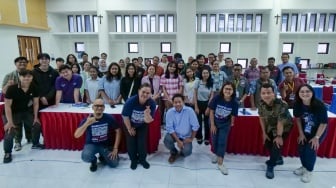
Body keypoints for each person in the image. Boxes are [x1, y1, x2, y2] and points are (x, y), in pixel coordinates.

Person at [3, 70, 44, 163]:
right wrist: (9, 121)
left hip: (25, 112)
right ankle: (7, 152)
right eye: (24, 76)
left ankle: (35, 143)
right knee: (10, 131)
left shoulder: (34, 87)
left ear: (32, 78)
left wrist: (35, 117)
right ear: (19, 77)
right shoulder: (12, 88)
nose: (26, 78)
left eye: (29, 76)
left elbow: (36, 103)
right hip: (12, 113)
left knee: (36, 125)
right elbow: (7, 106)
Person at [74, 99, 121, 172]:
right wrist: (87, 123)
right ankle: (94, 160)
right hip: (92, 144)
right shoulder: (87, 120)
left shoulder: (109, 118)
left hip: (105, 145)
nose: (99, 108)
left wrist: (115, 148)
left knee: (114, 164)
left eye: (101, 106)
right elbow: (76, 135)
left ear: (104, 108)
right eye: (97, 106)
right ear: (92, 107)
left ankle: (102, 156)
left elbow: (118, 131)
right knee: (85, 157)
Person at [293, 84, 328, 183]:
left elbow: (323, 123)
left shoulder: (320, 105)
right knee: (301, 148)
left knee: (310, 149)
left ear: (312, 93)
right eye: (302, 92)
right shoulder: (297, 104)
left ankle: (309, 171)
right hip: (305, 129)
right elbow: (298, 119)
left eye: (307, 91)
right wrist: (301, 133)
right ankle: (304, 167)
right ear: (298, 94)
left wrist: (316, 137)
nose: (305, 94)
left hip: (318, 131)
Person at [258, 83, 293, 179]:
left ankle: (271, 165)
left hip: (285, 127)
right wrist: (264, 133)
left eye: (269, 92)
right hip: (271, 126)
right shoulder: (261, 103)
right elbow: (261, 118)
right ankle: (279, 158)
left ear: (274, 93)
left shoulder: (281, 104)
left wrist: (279, 136)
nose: (266, 95)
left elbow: (280, 122)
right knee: (267, 143)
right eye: (263, 93)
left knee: (276, 145)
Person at [121, 83, 156, 170]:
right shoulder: (131, 101)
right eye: (143, 92)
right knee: (131, 142)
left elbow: (149, 121)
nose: (145, 94)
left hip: (142, 124)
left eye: (148, 93)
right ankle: (133, 160)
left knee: (141, 142)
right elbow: (125, 116)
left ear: (150, 94)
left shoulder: (152, 103)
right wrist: (129, 128)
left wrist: (147, 115)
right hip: (129, 123)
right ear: (138, 91)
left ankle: (142, 159)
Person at [209, 81, 239, 175]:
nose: (228, 91)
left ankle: (220, 163)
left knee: (222, 142)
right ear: (223, 89)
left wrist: (231, 123)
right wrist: (213, 125)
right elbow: (211, 111)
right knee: (214, 140)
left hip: (225, 124)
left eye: (230, 89)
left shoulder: (234, 102)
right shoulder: (217, 98)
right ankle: (215, 153)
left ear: (233, 91)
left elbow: (233, 115)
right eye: (226, 88)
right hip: (214, 121)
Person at [2, 56, 31, 150]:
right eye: (20, 62)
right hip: (13, 106)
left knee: (28, 124)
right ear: (15, 64)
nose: (22, 64)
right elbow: (4, 92)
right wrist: (8, 85)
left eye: (24, 62)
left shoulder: (30, 74)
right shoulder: (9, 76)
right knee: (16, 126)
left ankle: (29, 139)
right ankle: (17, 142)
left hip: (27, 105)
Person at [163, 93, 199, 164]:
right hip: (175, 135)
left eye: (180, 102)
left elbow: (195, 126)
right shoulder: (169, 112)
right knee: (167, 140)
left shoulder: (190, 111)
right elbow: (170, 128)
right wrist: (178, 141)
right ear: (173, 103)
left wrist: (191, 138)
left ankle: (181, 153)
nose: (178, 104)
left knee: (187, 152)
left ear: (183, 102)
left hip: (186, 136)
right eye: (175, 102)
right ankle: (174, 152)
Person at [194, 68, 214, 145]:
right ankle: (199, 137)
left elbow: (212, 96)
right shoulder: (198, 82)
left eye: (207, 73)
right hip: (198, 103)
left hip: (207, 104)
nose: (205, 74)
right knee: (198, 122)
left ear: (209, 74)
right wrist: (196, 106)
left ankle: (207, 138)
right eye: (204, 73)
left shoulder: (212, 82)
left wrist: (208, 108)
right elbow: (195, 94)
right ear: (201, 74)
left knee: (207, 122)